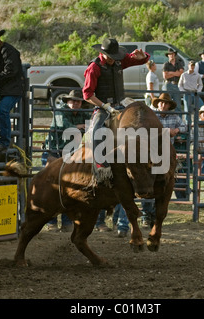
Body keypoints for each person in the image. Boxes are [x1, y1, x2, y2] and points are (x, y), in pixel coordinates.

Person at [82, 38, 149, 184]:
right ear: (103, 54)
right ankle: (101, 165)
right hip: (102, 107)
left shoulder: (120, 60)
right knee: (97, 131)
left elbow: (139, 61)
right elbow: (87, 94)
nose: (113, 60)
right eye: (111, 57)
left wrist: (143, 57)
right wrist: (105, 106)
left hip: (121, 103)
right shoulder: (94, 67)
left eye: (115, 57)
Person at [44, 90, 90, 232]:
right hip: (55, 151)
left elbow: (92, 125)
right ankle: (51, 221)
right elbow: (65, 127)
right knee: (52, 187)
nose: (75, 103)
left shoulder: (83, 113)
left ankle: (66, 221)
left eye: (78, 101)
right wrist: (81, 127)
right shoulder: (60, 112)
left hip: (69, 153)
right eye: (73, 101)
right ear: (68, 102)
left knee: (69, 188)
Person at [152, 93, 188, 200]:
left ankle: (161, 198)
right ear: (158, 104)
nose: (163, 105)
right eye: (161, 103)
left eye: (165, 103)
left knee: (165, 176)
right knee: (153, 175)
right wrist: (166, 131)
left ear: (168, 106)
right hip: (153, 150)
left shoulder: (174, 117)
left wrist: (177, 130)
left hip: (167, 150)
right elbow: (147, 129)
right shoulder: (152, 115)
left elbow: (184, 127)